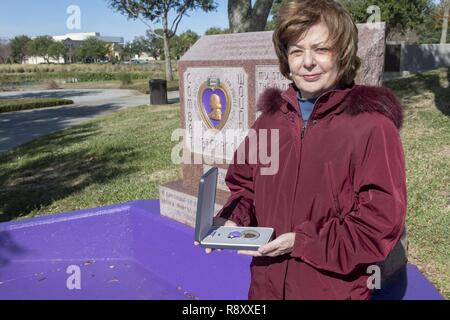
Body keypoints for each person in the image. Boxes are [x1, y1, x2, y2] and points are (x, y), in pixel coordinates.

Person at [196, 0, 407, 300]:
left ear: (343, 54)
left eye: (321, 49)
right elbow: (245, 188)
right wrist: (233, 221)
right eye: (296, 51)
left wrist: (303, 242)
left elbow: (379, 224)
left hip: (329, 289)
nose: (307, 62)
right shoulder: (270, 120)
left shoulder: (372, 127)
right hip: (265, 286)